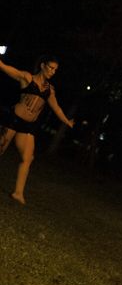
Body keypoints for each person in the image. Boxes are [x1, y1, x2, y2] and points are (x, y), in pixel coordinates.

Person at [0, 55, 75, 204]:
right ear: (42, 66)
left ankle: (18, 193)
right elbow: (5, 68)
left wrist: (67, 121)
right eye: (50, 68)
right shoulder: (27, 78)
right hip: (13, 120)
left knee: (28, 158)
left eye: (55, 70)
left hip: (28, 126)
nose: (53, 72)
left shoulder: (49, 90)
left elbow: (57, 108)